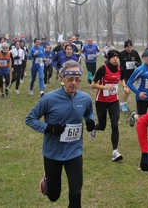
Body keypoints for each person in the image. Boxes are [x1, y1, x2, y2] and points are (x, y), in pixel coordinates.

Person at [25, 60, 95, 208]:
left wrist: (90, 121)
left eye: (77, 80)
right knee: (54, 196)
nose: (74, 83)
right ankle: (47, 181)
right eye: (70, 79)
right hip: (52, 152)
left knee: (76, 193)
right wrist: (49, 128)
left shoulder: (85, 98)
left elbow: (89, 113)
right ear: (62, 78)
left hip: (74, 151)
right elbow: (30, 119)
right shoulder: (49, 99)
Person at [90, 49, 129, 161]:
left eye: (117, 57)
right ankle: (94, 128)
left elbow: (121, 79)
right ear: (109, 58)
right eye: (113, 57)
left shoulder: (120, 69)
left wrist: (124, 86)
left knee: (114, 125)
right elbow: (93, 85)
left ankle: (115, 151)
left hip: (114, 101)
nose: (115, 59)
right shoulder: (103, 69)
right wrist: (106, 87)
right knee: (102, 126)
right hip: (101, 101)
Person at [119, 39, 142, 112]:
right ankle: (124, 104)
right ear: (125, 47)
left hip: (132, 75)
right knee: (127, 91)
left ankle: (122, 103)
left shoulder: (135, 53)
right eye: (128, 47)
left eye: (131, 47)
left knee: (127, 91)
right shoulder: (121, 54)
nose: (129, 49)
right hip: (124, 75)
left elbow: (139, 62)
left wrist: (137, 64)